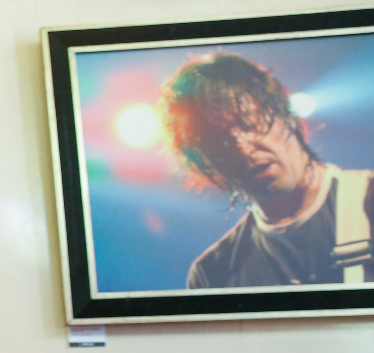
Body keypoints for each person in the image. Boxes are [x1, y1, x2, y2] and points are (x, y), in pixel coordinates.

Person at [158, 53, 374, 289]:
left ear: (285, 114)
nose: (243, 147)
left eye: (248, 122)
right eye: (221, 141)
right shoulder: (213, 275)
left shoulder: (368, 201)